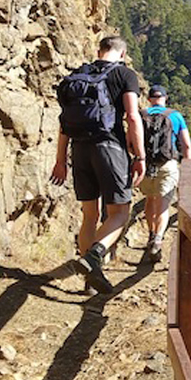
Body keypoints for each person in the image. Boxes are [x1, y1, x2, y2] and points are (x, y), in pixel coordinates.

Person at [50, 36, 145, 294]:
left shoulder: (75, 77)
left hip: (78, 149)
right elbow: (133, 118)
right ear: (123, 53)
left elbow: (63, 123)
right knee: (120, 214)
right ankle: (94, 257)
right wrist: (140, 157)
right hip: (109, 147)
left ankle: (90, 283)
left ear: (99, 51)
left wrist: (61, 160)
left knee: (89, 215)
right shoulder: (125, 75)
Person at [139, 84, 191, 263]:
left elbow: (131, 141)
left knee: (150, 200)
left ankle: (151, 233)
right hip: (167, 164)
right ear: (165, 98)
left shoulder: (142, 114)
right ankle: (158, 239)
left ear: (149, 99)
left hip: (146, 165)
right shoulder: (175, 116)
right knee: (163, 205)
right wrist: (187, 167)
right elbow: (186, 145)